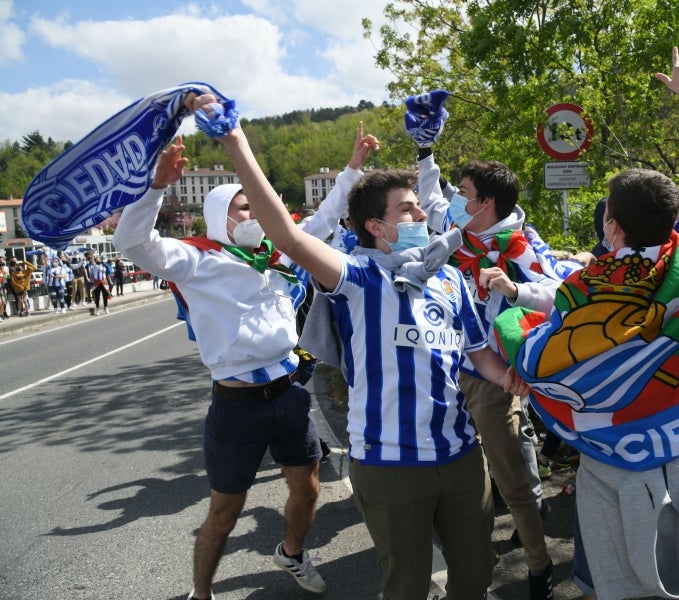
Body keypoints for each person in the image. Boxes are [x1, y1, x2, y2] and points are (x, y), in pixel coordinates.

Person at [195, 95, 529, 600]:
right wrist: (236, 141)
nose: (422, 211)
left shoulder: (449, 279)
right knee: (407, 587)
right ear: (377, 227)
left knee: (476, 578)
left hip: (461, 458)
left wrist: (508, 376)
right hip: (391, 466)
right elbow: (286, 236)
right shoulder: (357, 277)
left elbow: (478, 353)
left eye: (418, 204)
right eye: (408, 208)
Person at [494, 47, 679, 600]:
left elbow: (538, 356)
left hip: (614, 467)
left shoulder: (589, 291)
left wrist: (514, 333)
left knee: (619, 584)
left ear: (614, 229)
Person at [113, 123, 378, 600]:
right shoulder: (197, 261)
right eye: (244, 207)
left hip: (290, 394)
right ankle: (201, 592)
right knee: (225, 512)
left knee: (308, 489)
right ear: (221, 216)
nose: (256, 213)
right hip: (237, 407)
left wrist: (354, 166)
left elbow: (325, 217)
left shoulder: (280, 252)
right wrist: (155, 188)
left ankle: (292, 553)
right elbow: (133, 245)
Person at [413, 123, 583, 599]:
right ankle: (477, 557)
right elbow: (431, 200)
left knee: (513, 482)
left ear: (484, 203)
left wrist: (514, 289)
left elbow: (561, 293)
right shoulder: (456, 235)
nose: (453, 200)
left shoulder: (520, 245)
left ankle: (538, 565)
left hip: (493, 379)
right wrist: (425, 150)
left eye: (463, 193)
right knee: (455, 482)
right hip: (444, 374)